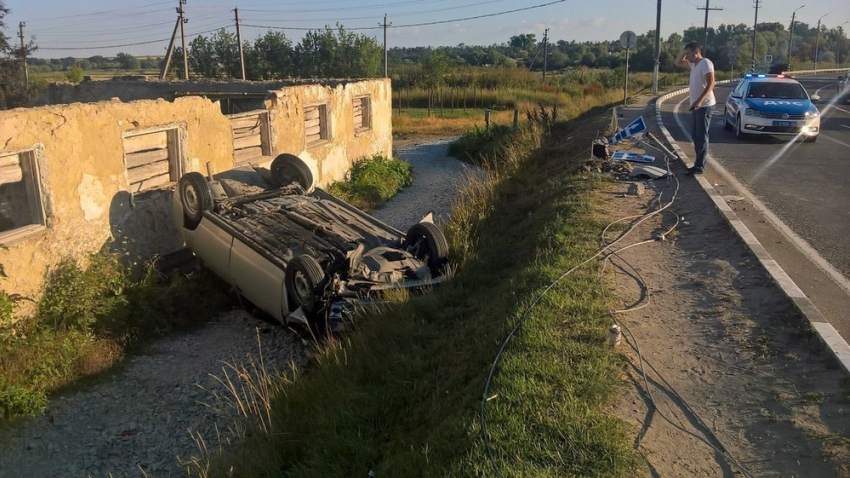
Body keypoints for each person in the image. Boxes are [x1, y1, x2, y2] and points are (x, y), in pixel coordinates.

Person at [675, 41, 716, 175]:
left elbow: (711, 83)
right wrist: (683, 52)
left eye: (688, 54)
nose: (686, 57)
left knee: (701, 136)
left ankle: (699, 166)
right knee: (695, 135)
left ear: (696, 52)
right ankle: (698, 164)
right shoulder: (694, 64)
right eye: (686, 54)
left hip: (704, 105)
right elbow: (677, 62)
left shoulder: (705, 63)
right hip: (696, 105)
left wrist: (699, 101)